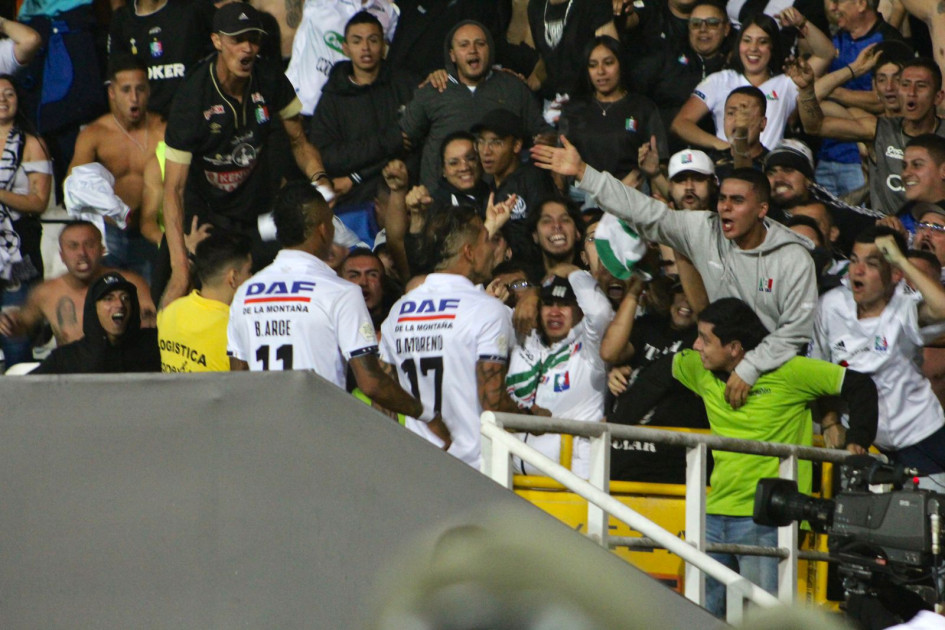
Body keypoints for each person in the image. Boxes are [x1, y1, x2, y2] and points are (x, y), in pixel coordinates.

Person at [532, 138, 817, 408]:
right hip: (722, 373)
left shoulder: (792, 259)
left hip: (774, 377)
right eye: (723, 199)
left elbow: (795, 332)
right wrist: (584, 173)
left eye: (738, 201)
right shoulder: (705, 229)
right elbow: (647, 212)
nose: (726, 207)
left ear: (761, 210)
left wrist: (751, 368)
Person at [668, 297, 877, 617]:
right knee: (700, 617)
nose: (696, 345)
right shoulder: (699, 368)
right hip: (712, 514)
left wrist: (857, 441)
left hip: (768, 519)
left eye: (706, 340)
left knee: (763, 620)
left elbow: (860, 385)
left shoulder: (789, 370)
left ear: (735, 348)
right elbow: (667, 365)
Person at [227, 182, 450, 443]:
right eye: (332, 224)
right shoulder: (339, 292)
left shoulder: (245, 293)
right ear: (323, 230)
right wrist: (426, 415)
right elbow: (371, 382)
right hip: (318, 439)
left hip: (262, 437)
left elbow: (237, 379)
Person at [160, 2, 332, 308]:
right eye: (237, 40)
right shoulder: (191, 98)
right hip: (206, 216)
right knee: (174, 287)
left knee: (315, 259)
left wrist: (321, 182)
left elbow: (300, 143)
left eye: (253, 39)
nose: (247, 48)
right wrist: (178, 266)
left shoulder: (270, 79)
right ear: (217, 41)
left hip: (258, 216)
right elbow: (173, 188)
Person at [379, 201, 544, 468]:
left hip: (416, 467)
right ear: (468, 252)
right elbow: (493, 403)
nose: (492, 248)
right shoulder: (489, 311)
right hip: (475, 473)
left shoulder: (399, 311)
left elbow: (383, 395)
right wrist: (531, 418)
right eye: (487, 241)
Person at [810, 227, 945, 475]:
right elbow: (817, 373)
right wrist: (830, 423)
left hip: (923, 435)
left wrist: (902, 260)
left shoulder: (905, 306)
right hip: (863, 444)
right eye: (853, 261)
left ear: (894, 274)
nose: (857, 271)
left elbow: (942, 308)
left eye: (871, 264)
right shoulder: (830, 306)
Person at [309, 10, 416, 243]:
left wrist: (355, 176)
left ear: (384, 46)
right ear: (345, 48)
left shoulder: (404, 85)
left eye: (373, 40)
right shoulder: (333, 96)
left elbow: (413, 144)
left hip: (403, 197)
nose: (365, 48)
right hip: (352, 206)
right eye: (357, 41)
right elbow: (326, 156)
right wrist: (389, 141)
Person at [400, 20, 547, 188]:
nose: (473, 50)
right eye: (464, 45)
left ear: (490, 49)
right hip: (442, 204)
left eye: (480, 44)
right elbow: (403, 138)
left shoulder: (513, 88)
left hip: (503, 199)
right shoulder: (433, 88)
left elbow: (542, 135)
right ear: (452, 55)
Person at [791, 56, 945, 215]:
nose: (911, 93)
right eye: (905, 85)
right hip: (887, 233)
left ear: (938, 97)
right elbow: (815, 127)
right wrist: (807, 91)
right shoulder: (877, 129)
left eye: (921, 86)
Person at [670, 12, 830, 153]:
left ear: (772, 47)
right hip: (728, 169)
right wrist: (722, 146)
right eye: (747, 40)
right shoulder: (720, 80)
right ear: (738, 44)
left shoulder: (787, 83)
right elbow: (681, 124)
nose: (753, 48)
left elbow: (826, 54)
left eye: (762, 42)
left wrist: (802, 23)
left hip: (769, 174)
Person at [506, 269, 613, 478]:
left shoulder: (590, 347)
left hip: (573, 483)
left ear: (579, 310)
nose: (554, 312)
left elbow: (600, 312)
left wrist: (572, 270)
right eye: (548, 304)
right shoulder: (523, 336)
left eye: (564, 304)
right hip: (514, 482)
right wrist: (530, 294)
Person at [68, 55, 166, 281]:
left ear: (149, 90)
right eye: (126, 90)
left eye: (140, 89)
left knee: (149, 301)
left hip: (149, 231)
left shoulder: (163, 131)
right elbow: (73, 185)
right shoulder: (94, 135)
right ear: (112, 92)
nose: (134, 97)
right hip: (108, 232)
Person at [604, 278, 708, 484]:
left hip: (666, 463)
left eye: (691, 293)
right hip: (622, 458)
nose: (685, 301)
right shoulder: (649, 326)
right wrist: (615, 372)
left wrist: (615, 425)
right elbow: (610, 352)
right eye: (680, 292)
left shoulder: (702, 343)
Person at [0, 221, 155, 347]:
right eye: (73, 246)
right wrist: (11, 323)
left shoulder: (130, 283)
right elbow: (24, 322)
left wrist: (149, 318)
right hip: (72, 379)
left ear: (102, 250)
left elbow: (153, 320)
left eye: (89, 244)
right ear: (62, 255)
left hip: (122, 374)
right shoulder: (46, 292)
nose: (82, 253)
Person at [806, 0, 905, 197]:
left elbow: (883, 99)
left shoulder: (886, 40)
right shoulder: (836, 39)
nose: (832, 7)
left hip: (860, 161)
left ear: (860, 3)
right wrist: (851, 73)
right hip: (827, 156)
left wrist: (832, 87)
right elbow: (811, 97)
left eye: (838, 1)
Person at [558, 35, 668, 190]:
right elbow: (561, 169)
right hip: (584, 198)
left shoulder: (643, 108)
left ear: (621, 64)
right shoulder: (574, 110)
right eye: (593, 65)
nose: (600, 71)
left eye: (608, 63)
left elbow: (659, 165)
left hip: (631, 195)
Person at [626, 0, 733, 153]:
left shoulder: (734, 68)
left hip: (718, 159)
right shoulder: (666, 59)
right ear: (688, 28)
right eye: (696, 24)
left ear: (726, 28)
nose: (703, 29)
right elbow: (636, 103)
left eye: (712, 23)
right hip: (666, 155)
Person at [0, 73, 51, 369]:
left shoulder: (31, 143)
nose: (3, 101)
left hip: (22, 250)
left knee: (15, 332)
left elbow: (38, 202)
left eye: (9, 94)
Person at [157, 231, 253, 373]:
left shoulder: (169, 311)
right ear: (233, 277)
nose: (253, 278)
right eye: (249, 271)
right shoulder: (235, 328)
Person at [285, 0, 400, 116]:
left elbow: (401, 48)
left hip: (352, 114)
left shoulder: (387, 11)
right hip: (305, 108)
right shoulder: (321, 3)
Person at [31, 272, 161, 374]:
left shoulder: (155, 345)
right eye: (108, 299)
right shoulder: (69, 358)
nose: (119, 304)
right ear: (93, 308)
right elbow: (24, 390)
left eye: (125, 298)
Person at [472, 109, 555, 265]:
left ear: (516, 145)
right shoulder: (486, 191)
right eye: (481, 142)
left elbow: (546, 235)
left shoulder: (533, 179)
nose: (486, 151)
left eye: (496, 143)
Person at [107, 0, 214, 117]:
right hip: (148, 123)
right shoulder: (122, 20)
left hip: (194, 115)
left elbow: (225, 45)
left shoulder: (194, 9)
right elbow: (115, 81)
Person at [525, 0, 617, 102]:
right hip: (552, 100)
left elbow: (610, 59)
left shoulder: (594, 3)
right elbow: (546, 57)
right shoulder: (536, 5)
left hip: (588, 100)